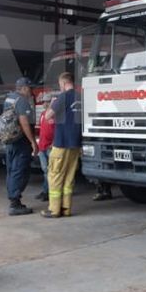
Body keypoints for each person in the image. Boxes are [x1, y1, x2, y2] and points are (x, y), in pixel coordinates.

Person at [42, 71, 82, 218]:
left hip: (61, 143)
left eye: (60, 85)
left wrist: (52, 104)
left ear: (64, 83)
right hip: (76, 144)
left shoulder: (62, 98)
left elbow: (47, 116)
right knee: (69, 177)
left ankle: (54, 209)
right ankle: (66, 208)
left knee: (55, 175)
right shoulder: (81, 98)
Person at [3, 77, 38, 215]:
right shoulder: (22, 101)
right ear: (23, 88)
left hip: (10, 139)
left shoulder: (9, 98)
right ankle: (15, 203)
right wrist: (32, 141)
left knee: (12, 170)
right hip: (21, 141)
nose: (31, 91)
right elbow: (24, 122)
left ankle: (13, 198)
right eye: (30, 88)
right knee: (20, 170)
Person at [35, 106, 54, 202]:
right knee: (45, 170)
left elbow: (59, 130)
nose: (46, 103)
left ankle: (47, 192)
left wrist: (54, 143)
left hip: (50, 147)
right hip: (42, 146)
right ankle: (46, 191)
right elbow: (40, 130)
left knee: (49, 171)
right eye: (45, 101)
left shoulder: (55, 115)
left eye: (48, 101)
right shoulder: (43, 114)